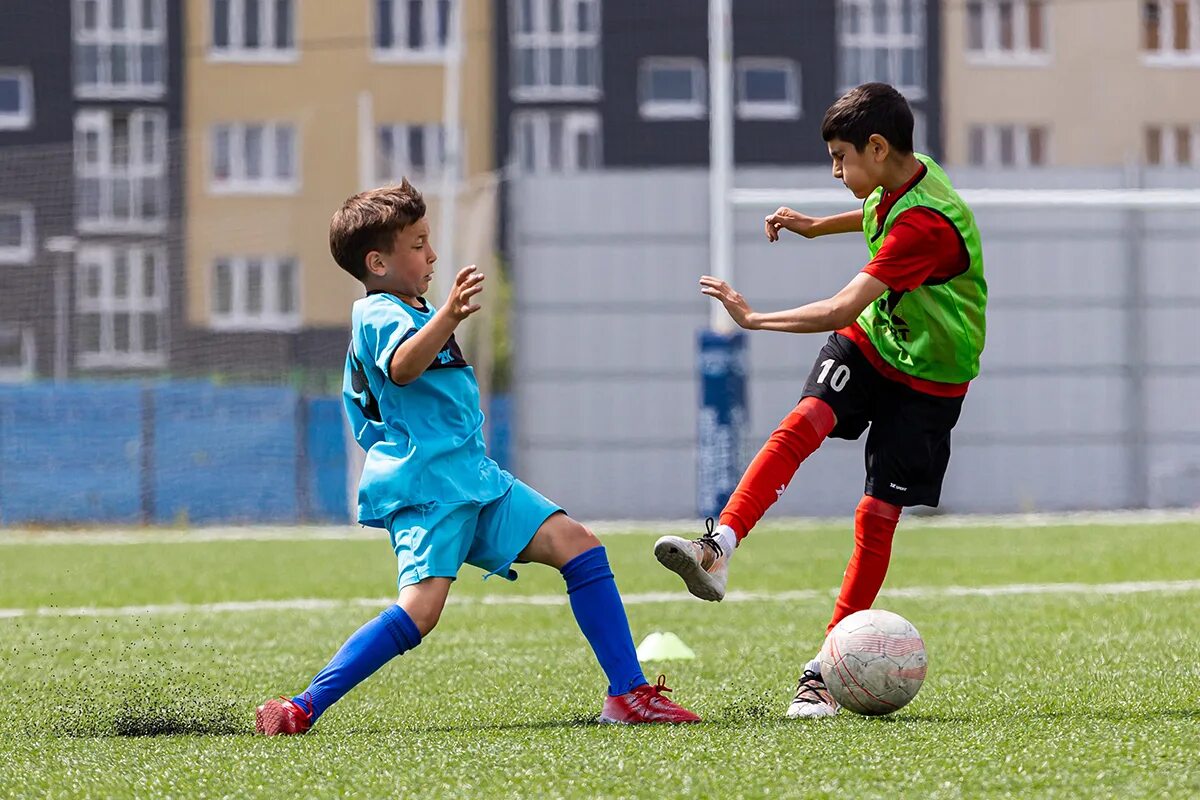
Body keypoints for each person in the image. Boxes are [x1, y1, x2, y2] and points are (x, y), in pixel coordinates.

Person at [255, 179, 700, 734]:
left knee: (579, 545)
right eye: (417, 244)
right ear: (378, 262)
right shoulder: (377, 314)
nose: (432, 254)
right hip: (429, 489)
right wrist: (447, 316)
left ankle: (629, 694)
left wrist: (438, 316)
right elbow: (401, 367)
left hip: (474, 479)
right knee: (420, 611)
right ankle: (302, 706)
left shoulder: (412, 307)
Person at [654, 83, 987, 719]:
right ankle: (718, 546)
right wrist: (817, 226)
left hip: (932, 377)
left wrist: (753, 320)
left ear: (878, 147)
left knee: (875, 517)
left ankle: (825, 672)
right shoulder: (907, 178)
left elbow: (839, 307)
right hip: (878, 341)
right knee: (801, 423)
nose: (835, 172)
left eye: (840, 158)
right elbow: (876, 216)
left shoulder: (925, 225)